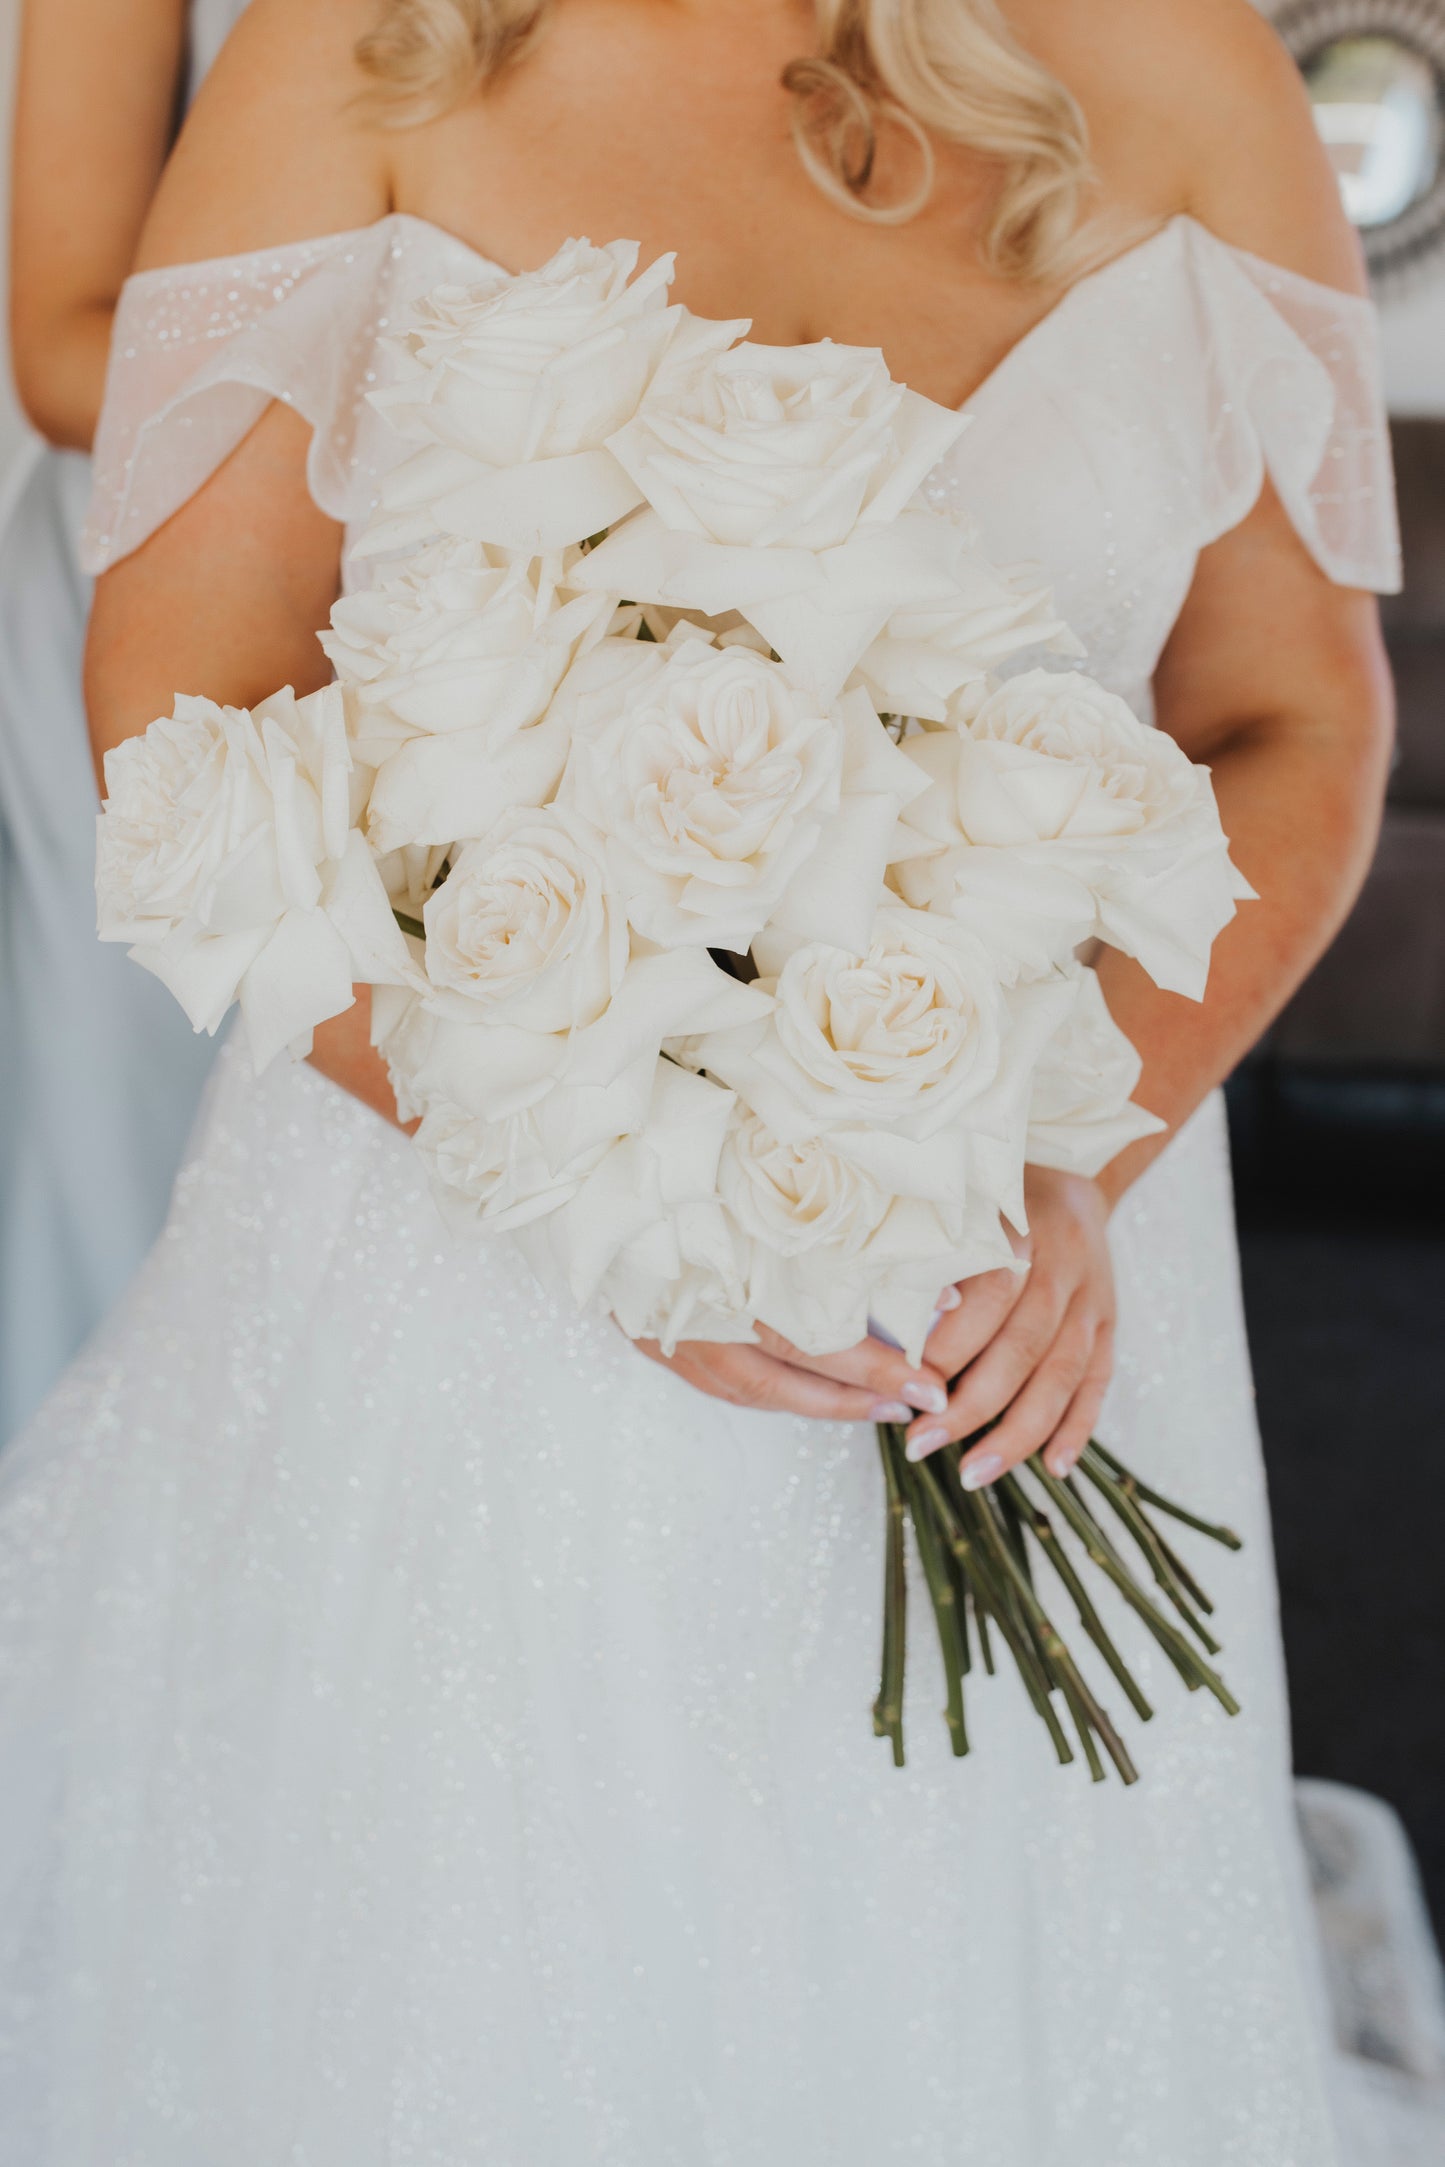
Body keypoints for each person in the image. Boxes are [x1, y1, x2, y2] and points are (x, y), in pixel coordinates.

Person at [0, 0, 1400, 2157]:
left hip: (1013, 1295)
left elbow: (1298, 714)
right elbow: (183, 711)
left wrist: (1072, 1149)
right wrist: (583, 1143)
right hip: (444, 1286)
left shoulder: (1188, 64)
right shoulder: (364, 54)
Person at [0, 0, 254, 1444]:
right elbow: (57, 341)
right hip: (161, 595)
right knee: (134, 1199)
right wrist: (496, 417)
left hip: (526, 585)